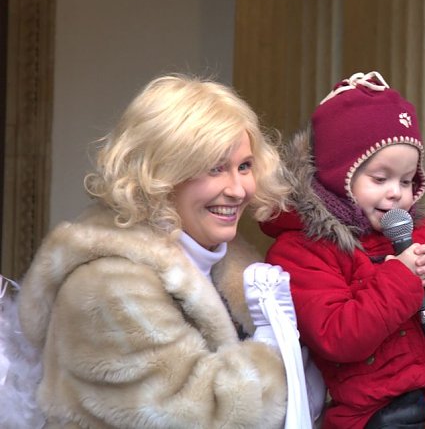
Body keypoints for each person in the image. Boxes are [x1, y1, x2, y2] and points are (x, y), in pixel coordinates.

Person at [15, 74, 311, 428]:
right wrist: (277, 351)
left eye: (244, 166)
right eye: (215, 168)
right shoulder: (106, 285)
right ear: (162, 175)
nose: (237, 189)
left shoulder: (233, 265)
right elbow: (202, 416)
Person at [262, 71, 425, 428]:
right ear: (338, 176)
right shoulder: (303, 250)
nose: (396, 193)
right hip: (377, 413)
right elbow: (337, 334)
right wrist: (401, 278)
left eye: (406, 181)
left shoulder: (423, 232)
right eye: (380, 178)